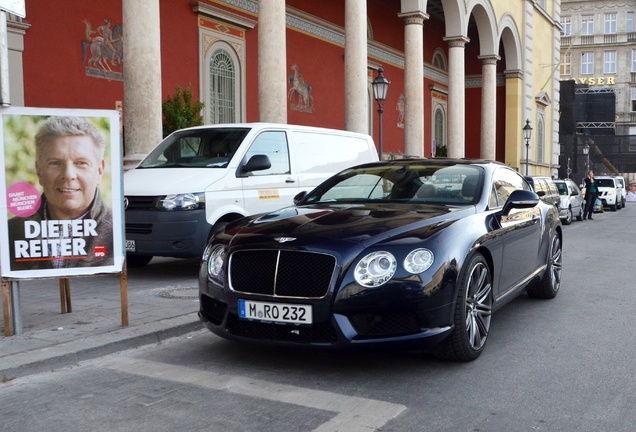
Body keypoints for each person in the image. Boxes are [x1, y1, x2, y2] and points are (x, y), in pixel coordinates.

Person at [8, 116, 113, 271]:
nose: (68, 174)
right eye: (55, 163)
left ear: (99, 170)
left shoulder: (118, 233)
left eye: (81, 163)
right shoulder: (10, 232)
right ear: (39, 170)